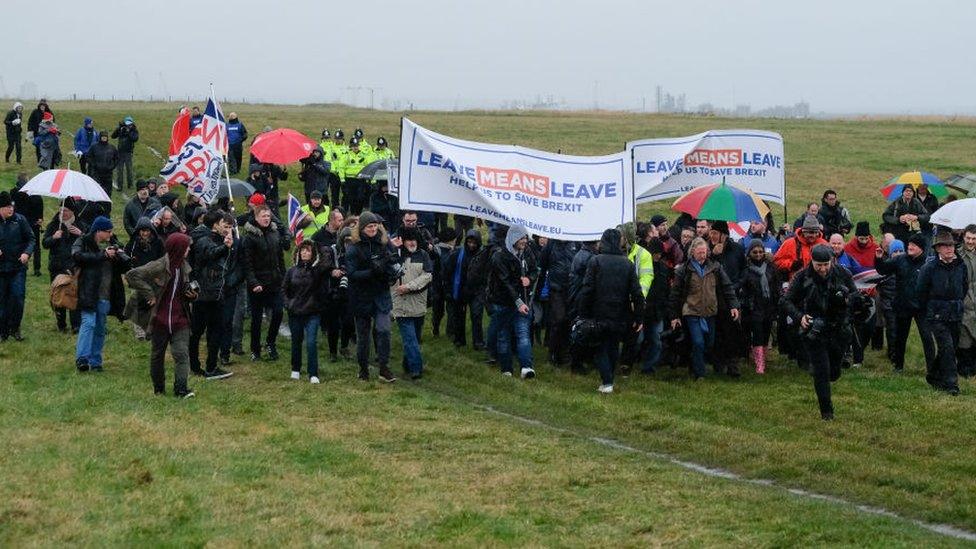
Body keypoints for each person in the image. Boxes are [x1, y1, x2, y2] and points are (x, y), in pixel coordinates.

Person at [782, 244, 857, 420]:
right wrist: (799, 316)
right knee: (821, 372)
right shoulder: (802, 276)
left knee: (834, 372)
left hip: (838, 327)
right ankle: (827, 412)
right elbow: (786, 301)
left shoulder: (842, 273)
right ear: (812, 262)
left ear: (831, 261)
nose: (822, 269)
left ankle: (833, 369)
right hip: (814, 328)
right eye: (818, 265)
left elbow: (855, 295)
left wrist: (846, 300)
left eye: (825, 265)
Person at [124, 233, 196, 398]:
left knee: (181, 353)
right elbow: (132, 275)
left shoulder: (185, 267)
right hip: (159, 319)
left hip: (180, 318)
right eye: (186, 246)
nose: (189, 249)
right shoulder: (158, 266)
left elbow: (184, 291)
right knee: (157, 355)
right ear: (178, 249)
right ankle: (159, 389)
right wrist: (149, 293)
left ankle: (181, 389)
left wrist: (192, 295)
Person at [578, 227, 645, 393]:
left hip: (599, 311)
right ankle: (609, 379)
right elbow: (637, 293)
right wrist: (639, 317)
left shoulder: (596, 261)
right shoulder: (627, 264)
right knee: (614, 346)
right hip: (621, 313)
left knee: (600, 346)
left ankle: (607, 381)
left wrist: (582, 312)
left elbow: (587, 288)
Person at [669, 237, 740, 380]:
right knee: (698, 342)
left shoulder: (715, 267)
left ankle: (694, 362)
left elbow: (727, 287)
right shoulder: (684, 270)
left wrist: (733, 305)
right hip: (691, 311)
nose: (702, 255)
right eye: (700, 252)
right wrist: (674, 315)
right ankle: (699, 373)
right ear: (692, 252)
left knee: (709, 342)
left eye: (705, 252)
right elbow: (675, 294)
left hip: (710, 312)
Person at [344, 210, 398, 382]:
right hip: (361, 296)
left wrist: (391, 270)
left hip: (381, 294)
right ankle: (363, 369)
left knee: (383, 330)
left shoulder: (384, 242)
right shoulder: (353, 247)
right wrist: (372, 271)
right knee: (364, 336)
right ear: (362, 228)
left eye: (375, 225)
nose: (373, 229)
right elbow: (352, 274)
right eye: (369, 226)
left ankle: (384, 367)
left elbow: (394, 260)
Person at [72, 216, 129, 371]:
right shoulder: (83, 241)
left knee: (100, 328)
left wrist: (121, 257)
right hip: (88, 291)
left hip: (105, 293)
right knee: (88, 323)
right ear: (99, 231)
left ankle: (96, 361)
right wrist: (102, 255)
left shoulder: (113, 243)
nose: (110, 234)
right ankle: (82, 359)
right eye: (108, 231)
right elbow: (77, 257)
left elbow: (123, 267)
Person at [916, 232, 967, 395]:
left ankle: (933, 375)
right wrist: (931, 309)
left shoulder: (961, 265)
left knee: (950, 347)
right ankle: (951, 383)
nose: (949, 249)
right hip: (937, 314)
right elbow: (921, 291)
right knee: (947, 347)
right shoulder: (929, 268)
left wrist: (957, 303)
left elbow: (964, 287)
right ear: (937, 249)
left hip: (956, 312)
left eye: (951, 245)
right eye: (945, 246)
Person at [187, 211, 235, 380]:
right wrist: (225, 247)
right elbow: (210, 253)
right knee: (197, 331)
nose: (227, 230)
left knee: (216, 331)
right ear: (215, 224)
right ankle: (194, 365)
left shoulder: (218, 239)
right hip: (204, 294)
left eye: (230, 227)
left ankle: (211, 366)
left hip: (217, 293)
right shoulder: (202, 239)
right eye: (225, 226)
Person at [875, 234, 934, 372]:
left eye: (914, 245)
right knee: (900, 337)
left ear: (921, 248)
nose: (910, 247)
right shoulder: (900, 259)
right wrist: (878, 259)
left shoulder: (928, 263)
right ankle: (898, 365)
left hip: (922, 307)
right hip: (903, 304)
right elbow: (882, 269)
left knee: (927, 337)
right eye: (909, 244)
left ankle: (932, 368)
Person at [487, 225, 538, 379]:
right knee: (503, 335)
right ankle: (506, 368)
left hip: (522, 300)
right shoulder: (499, 256)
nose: (524, 241)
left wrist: (529, 279)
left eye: (525, 238)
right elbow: (505, 282)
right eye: (521, 238)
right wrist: (518, 302)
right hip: (502, 302)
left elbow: (535, 270)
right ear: (513, 239)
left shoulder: (527, 252)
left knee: (523, 334)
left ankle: (526, 367)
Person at [242, 205, 288, 361]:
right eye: (263, 216)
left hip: (274, 282)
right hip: (257, 284)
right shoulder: (249, 237)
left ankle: (271, 342)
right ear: (256, 217)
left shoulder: (275, 233)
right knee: (256, 319)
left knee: (278, 312)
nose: (266, 218)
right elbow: (247, 264)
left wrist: (284, 277)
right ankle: (255, 349)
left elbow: (280, 258)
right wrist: (254, 283)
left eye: (268, 216)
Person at [284, 240, 330, 383]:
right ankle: (295, 369)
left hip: (312, 312)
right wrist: (288, 304)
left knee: (311, 342)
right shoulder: (291, 271)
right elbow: (284, 290)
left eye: (308, 250)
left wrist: (320, 248)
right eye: (302, 250)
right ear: (298, 253)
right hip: (295, 312)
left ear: (312, 253)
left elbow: (326, 265)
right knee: (296, 341)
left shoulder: (316, 271)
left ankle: (313, 373)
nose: (305, 253)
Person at [391, 228, 434, 379]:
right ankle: (417, 369)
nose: (412, 242)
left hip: (418, 304)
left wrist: (408, 287)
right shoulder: (395, 255)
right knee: (410, 339)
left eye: (414, 239)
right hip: (401, 304)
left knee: (413, 338)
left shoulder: (423, 255)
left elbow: (428, 276)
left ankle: (407, 364)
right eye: (409, 240)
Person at [738, 239, 782, 374]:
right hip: (754, 307)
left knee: (766, 332)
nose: (758, 254)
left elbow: (776, 286)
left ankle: (763, 357)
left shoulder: (770, 268)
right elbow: (741, 285)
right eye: (755, 252)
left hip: (768, 306)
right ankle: (759, 363)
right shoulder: (746, 270)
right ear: (750, 253)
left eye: (760, 252)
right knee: (757, 333)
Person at [42, 207, 86, 333]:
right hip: (57, 266)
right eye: (61, 210)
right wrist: (54, 237)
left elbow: (89, 242)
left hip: (74, 266)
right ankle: (61, 324)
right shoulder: (54, 224)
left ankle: (75, 325)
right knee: (58, 295)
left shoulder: (80, 224)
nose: (63, 213)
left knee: (73, 295)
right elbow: (44, 243)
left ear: (73, 211)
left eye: (66, 210)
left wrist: (81, 234)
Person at [0, 191, 35, 341]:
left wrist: (27, 253)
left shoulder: (20, 220)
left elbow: (31, 239)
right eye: (7, 207)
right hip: (1, 269)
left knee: (17, 297)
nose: (11, 209)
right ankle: (2, 331)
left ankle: (15, 328)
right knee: (2, 300)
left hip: (18, 268)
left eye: (12, 206)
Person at [444, 228, 485, 350]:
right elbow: (447, 273)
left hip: (476, 291)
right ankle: (459, 339)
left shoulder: (482, 257)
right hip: (459, 290)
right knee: (459, 317)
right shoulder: (456, 255)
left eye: (474, 243)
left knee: (477, 316)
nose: (471, 245)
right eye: (469, 242)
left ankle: (478, 342)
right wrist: (448, 290)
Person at [539, 237, 576, 366]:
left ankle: (564, 353)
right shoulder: (551, 244)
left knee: (568, 321)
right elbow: (542, 265)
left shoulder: (575, 242)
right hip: (556, 289)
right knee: (558, 320)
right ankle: (552, 352)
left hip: (571, 289)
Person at [774, 214, 828, 280]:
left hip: (819, 283)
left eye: (816, 232)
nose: (814, 235)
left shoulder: (824, 244)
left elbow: (832, 264)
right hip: (796, 284)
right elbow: (776, 262)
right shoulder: (789, 243)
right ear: (803, 231)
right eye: (811, 232)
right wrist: (791, 264)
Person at [12, 174, 43, 276]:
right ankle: (37, 268)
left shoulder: (14, 193)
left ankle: (22, 263)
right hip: (34, 224)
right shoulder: (36, 195)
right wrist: (40, 219)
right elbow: (40, 210)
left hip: (20, 223)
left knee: (21, 244)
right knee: (36, 246)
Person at [957, 225, 976, 377]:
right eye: (968, 238)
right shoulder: (958, 255)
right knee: (965, 335)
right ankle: (964, 368)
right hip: (964, 299)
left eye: (974, 239)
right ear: (963, 237)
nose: (970, 241)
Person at [335, 137, 371, 214]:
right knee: (351, 198)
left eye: (357, 145)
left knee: (360, 198)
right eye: (353, 146)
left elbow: (368, 166)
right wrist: (342, 180)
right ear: (350, 146)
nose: (355, 147)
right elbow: (341, 168)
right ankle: (353, 213)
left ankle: (358, 213)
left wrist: (368, 179)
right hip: (350, 180)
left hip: (361, 179)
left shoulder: (364, 155)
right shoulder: (346, 155)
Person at [86, 131, 119, 204]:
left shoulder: (112, 148)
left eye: (105, 137)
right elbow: (88, 157)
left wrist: (112, 166)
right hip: (96, 173)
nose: (104, 138)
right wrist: (94, 164)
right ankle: (94, 203)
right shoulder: (94, 147)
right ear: (100, 137)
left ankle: (107, 204)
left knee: (107, 191)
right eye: (102, 137)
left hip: (108, 174)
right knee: (96, 189)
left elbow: (117, 158)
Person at [110, 116, 139, 190]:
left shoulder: (134, 130)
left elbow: (135, 139)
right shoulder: (121, 129)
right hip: (120, 152)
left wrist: (129, 132)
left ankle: (130, 185)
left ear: (132, 123)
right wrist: (118, 128)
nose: (128, 125)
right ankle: (120, 186)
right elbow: (113, 136)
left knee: (129, 169)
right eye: (127, 124)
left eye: (130, 124)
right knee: (119, 170)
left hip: (128, 153)